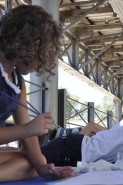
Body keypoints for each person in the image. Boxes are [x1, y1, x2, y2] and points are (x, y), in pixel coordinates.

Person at [0, 5, 73, 182]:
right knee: (25, 163)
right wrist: (26, 129)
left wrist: (43, 167)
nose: (40, 63)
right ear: (29, 46)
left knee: (30, 164)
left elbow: (28, 135)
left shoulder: (18, 82)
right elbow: (26, 129)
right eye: (43, 55)